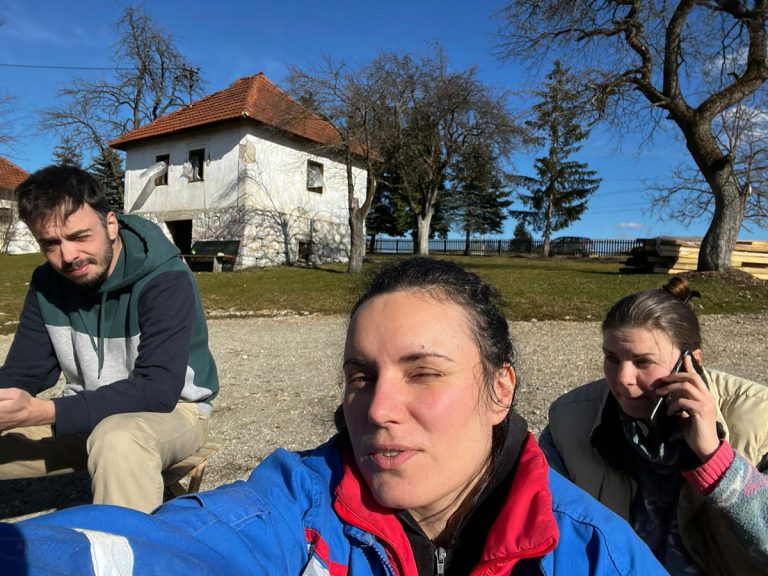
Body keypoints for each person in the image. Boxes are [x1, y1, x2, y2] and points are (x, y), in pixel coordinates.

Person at [0, 257, 665, 575]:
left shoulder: (595, 551)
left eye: (424, 372)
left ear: (500, 390)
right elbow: (163, 550)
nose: (376, 408)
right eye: (360, 377)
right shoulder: (292, 504)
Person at [0, 165, 218, 513]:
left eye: (79, 236)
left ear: (110, 224)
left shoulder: (166, 279)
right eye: (51, 244)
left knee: (118, 439)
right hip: (83, 414)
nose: (68, 256)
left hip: (172, 413)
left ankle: (128, 558)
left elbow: (158, 390)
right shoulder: (47, 284)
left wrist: (43, 411)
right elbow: (24, 373)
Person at [539, 277, 768, 576]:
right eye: (612, 358)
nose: (623, 378)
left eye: (643, 361)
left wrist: (716, 459)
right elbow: (541, 525)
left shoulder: (759, 418)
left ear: (691, 362)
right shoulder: (569, 419)